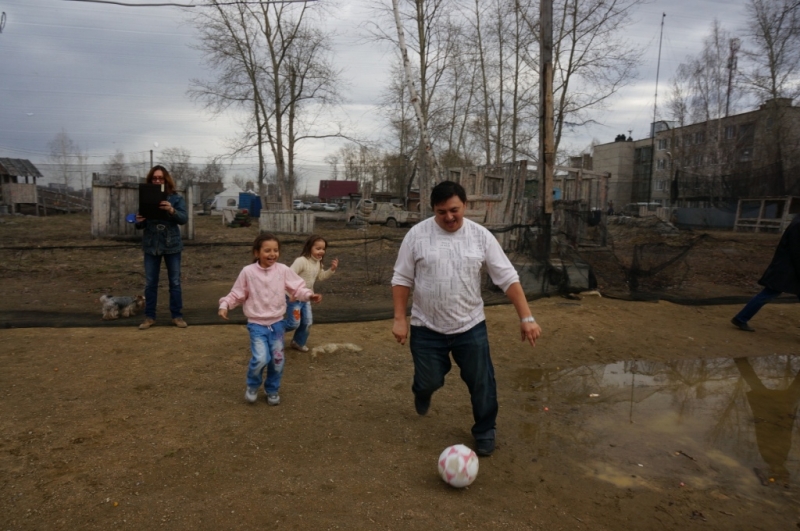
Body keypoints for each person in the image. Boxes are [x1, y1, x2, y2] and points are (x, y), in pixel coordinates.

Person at [391, 180, 542, 457]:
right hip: (426, 326)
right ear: (433, 210)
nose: (448, 217)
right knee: (429, 380)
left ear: (465, 206)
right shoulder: (416, 235)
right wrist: (400, 318)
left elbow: (507, 277)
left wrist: (527, 317)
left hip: (470, 325)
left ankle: (485, 429)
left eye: (454, 210)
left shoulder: (481, 236)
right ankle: (423, 389)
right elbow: (402, 277)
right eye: (441, 212)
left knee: (482, 381)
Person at [219, 233, 322, 405]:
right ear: (256, 252)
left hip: (277, 324)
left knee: (277, 359)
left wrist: (309, 296)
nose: (272, 254)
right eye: (267, 250)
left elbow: (297, 287)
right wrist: (225, 305)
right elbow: (237, 293)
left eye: (275, 250)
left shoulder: (282, 270)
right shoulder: (248, 272)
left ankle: (272, 389)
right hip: (256, 324)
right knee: (260, 358)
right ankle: (252, 386)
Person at [134, 165, 188, 330]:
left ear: (166, 180)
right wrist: (138, 220)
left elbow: (183, 219)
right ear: (150, 180)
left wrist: (171, 210)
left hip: (172, 244)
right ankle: (150, 317)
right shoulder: (146, 197)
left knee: (175, 282)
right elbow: (140, 225)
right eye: (154, 178)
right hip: (151, 244)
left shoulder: (176, 198)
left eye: (160, 178)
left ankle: (177, 316)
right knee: (151, 283)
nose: (157, 180)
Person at [731, 214, 800, 332]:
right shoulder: (798, 225)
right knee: (767, 294)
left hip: (788, 269)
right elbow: (797, 251)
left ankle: (741, 318)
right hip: (787, 270)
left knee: (768, 294)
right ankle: (741, 318)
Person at [284, 234, 339, 352]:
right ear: (309, 247)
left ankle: (297, 342)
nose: (321, 251)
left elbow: (321, 276)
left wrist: (332, 269)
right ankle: (272, 329)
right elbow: (288, 276)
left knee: (307, 322)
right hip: (293, 298)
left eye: (323, 249)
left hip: (307, 298)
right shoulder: (301, 261)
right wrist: (293, 292)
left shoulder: (318, 263)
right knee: (294, 323)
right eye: (318, 248)